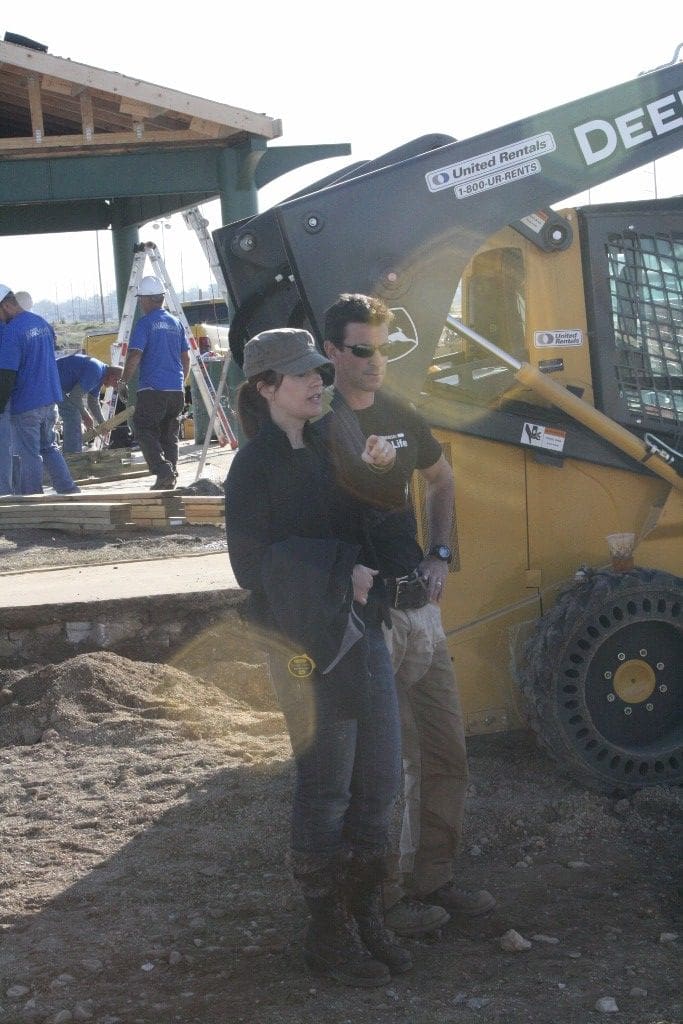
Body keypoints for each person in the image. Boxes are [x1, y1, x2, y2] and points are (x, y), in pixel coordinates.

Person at [224, 327, 411, 987]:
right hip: (306, 645)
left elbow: (380, 540)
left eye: (317, 373)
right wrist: (342, 573)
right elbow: (251, 566)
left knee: (379, 784)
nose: (317, 382)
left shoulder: (337, 444)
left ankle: (365, 913)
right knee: (327, 789)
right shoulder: (253, 466)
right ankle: (326, 931)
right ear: (266, 387)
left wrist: (382, 483)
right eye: (301, 374)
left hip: (363, 632)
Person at [320, 293, 496, 938]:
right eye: (360, 350)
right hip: (367, 621)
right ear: (333, 352)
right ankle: (380, 900)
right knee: (379, 768)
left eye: (382, 349)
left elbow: (443, 479)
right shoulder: (321, 422)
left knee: (448, 753)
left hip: (422, 612)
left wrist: (442, 552)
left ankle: (434, 881)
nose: (374, 362)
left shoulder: (400, 413)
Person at [0, 284, 80, 496]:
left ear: (6, 306)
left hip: (26, 401)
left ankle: (32, 499)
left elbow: (7, 375)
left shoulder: (11, 331)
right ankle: (68, 488)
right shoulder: (41, 323)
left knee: (28, 453)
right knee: (49, 446)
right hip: (49, 397)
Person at [118, 275, 190, 490]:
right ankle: (170, 475)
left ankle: (162, 470)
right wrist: (180, 382)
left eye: (141, 299)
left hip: (153, 390)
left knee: (143, 429)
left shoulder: (145, 323)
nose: (140, 303)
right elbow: (186, 357)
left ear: (148, 300)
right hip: (176, 391)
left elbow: (135, 355)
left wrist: (123, 381)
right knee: (169, 434)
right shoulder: (175, 323)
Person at [56, 353, 122, 453]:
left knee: (74, 412)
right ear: (113, 377)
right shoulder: (96, 371)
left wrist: (103, 424)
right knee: (73, 414)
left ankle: (72, 452)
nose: (114, 387)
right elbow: (75, 397)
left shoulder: (101, 374)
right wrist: (86, 415)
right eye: (116, 384)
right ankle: (72, 457)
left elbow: (93, 402)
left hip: (55, 383)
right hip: (49, 380)